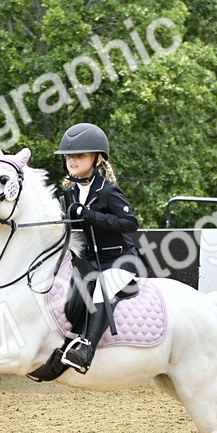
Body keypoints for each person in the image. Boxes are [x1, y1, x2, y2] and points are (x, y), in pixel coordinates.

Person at [55, 122, 144, 373]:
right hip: (89, 262)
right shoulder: (71, 193)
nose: (72, 161)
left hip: (119, 261)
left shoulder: (108, 191)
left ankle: (86, 348)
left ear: (98, 159)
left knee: (102, 288)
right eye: (69, 156)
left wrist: (90, 215)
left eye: (80, 155)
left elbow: (130, 223)